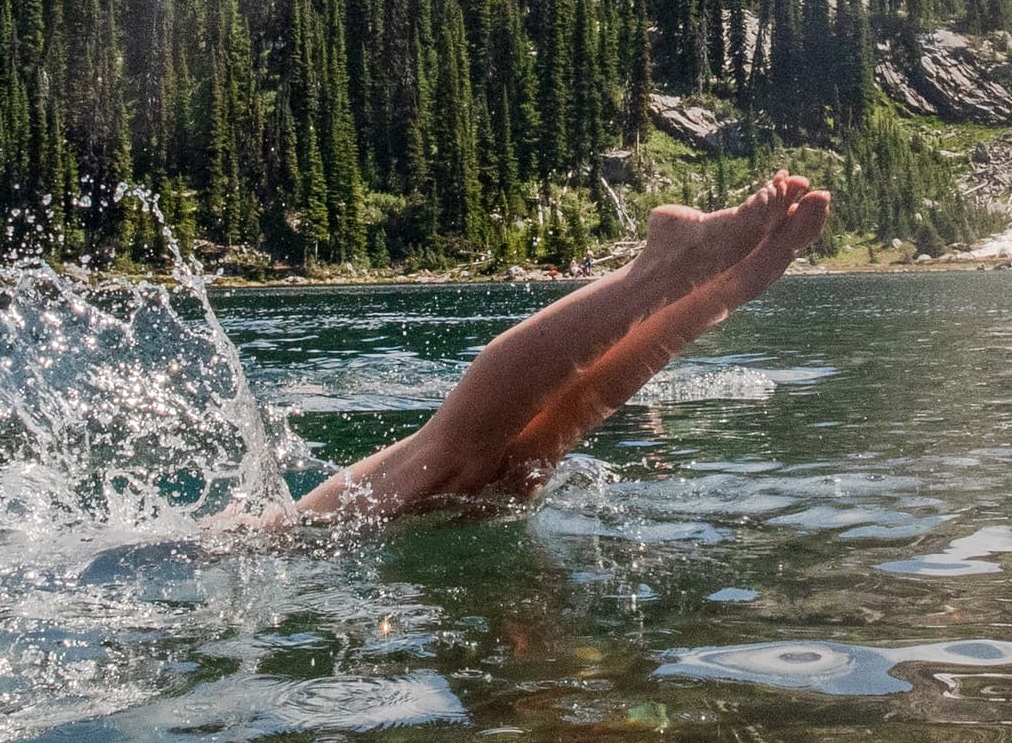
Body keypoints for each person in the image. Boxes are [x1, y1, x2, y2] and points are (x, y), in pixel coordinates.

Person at [274, 171, 829, 520]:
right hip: (259, 546)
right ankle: (717, 291)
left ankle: (663, 271)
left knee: (452, 457)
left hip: (255, 544)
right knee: (525, 462)